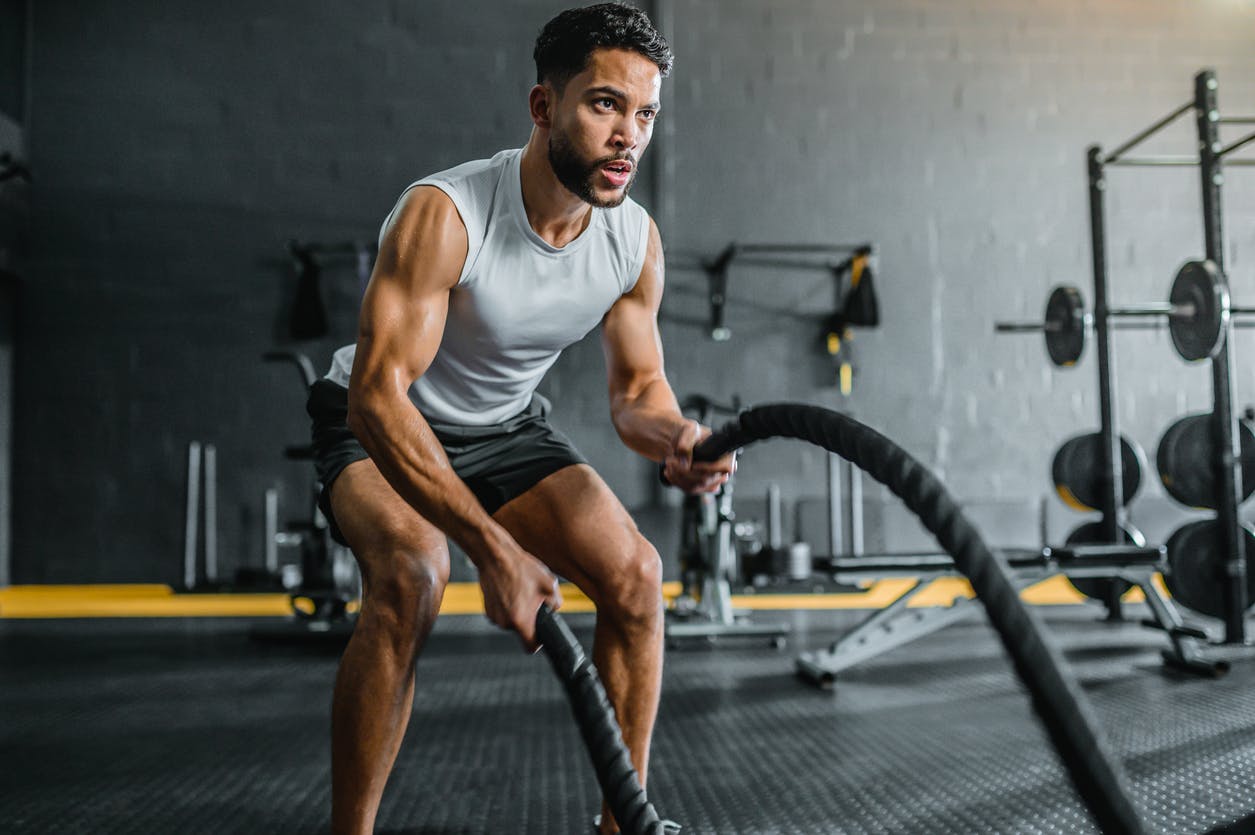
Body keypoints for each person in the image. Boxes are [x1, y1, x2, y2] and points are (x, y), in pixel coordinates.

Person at [306, 4, 731, 833]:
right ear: (544, 107)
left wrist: (679, 436)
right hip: (379, 422)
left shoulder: (632, 242)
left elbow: (638, 393)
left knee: (638, 579)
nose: (628, 137)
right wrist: (494, 549)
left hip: (503, 427)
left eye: (644, 114)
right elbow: (378, 394)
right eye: (604, 104)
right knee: (413, 573)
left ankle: (623, 826)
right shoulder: (448, 212)